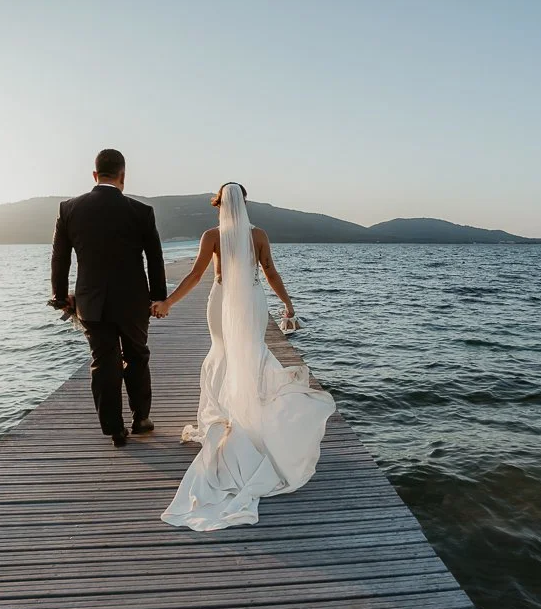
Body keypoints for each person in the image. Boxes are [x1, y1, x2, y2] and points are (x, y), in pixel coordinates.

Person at [151, 182, 335, 531]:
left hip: (221, 302)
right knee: (251, 354)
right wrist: (287, 302)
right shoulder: (259, 235)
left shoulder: (211, 235)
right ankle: (248, 417)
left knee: (220, 354)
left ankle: (225, 417)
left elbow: (195, 275)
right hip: (251, 301)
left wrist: (168, 303)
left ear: (218, 205)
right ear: (245, 204)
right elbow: (270, 272)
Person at [50, 149, 166, 446]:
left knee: (103, 361)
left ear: (94, 174)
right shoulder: (141, 212)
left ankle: (114, 429)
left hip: (92, 301)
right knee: (137, 357)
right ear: (123, 177)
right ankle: (141, 419)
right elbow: (155, 259)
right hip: (133, 301)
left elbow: (60, 258)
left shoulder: (69, 209)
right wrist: (158, 297)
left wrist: (61, 296)